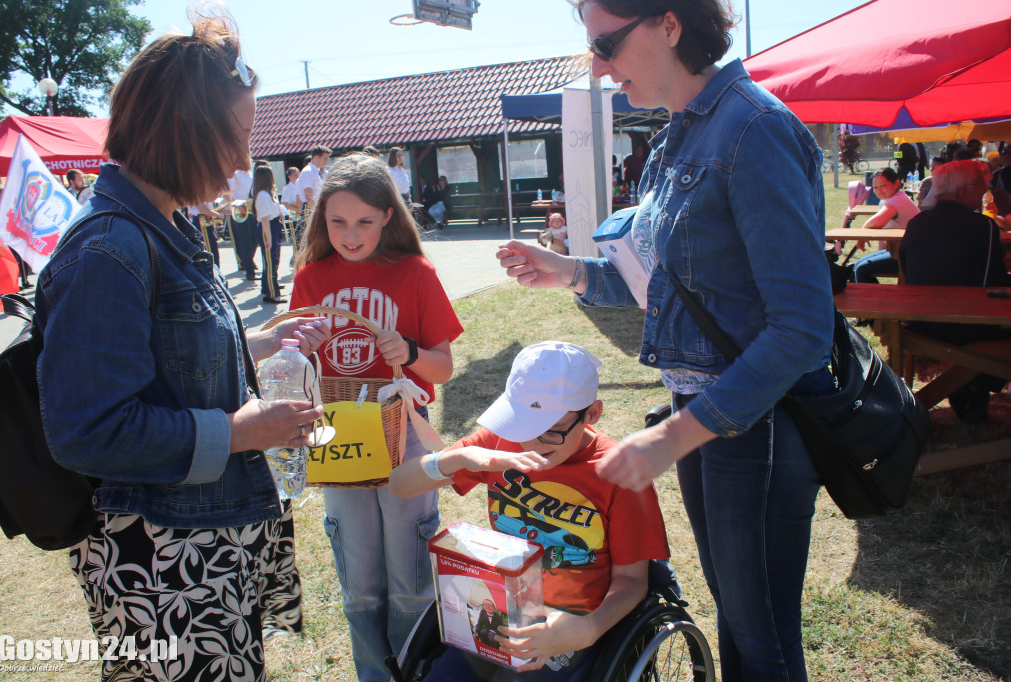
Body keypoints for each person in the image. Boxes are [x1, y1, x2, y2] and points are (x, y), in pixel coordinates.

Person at [496, 3, 835, 680]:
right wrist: (569, 273)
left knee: (762, 640)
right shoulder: (677, 136)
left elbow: (802, 327)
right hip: (705, 420)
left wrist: (675, 437)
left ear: (670, 24)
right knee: (741, 624)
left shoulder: (754, 129)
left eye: (606, 44)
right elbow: (664, 284)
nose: (596, 65)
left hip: (753, 426)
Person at [33, 9, 327, 680]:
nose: (246, 160)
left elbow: (168, 358)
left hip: (197, 547)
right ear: (186, 130)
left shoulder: (163, 226)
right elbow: (88, 432)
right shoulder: (110, 251)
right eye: (239, 134)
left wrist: (252, 343)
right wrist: (238, 432)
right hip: (162, 565)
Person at [389, 341, 670, 680]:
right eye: (522, 427)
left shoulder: (621, 475)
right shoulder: (500, 442)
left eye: (551, 432)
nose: (533, 444)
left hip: (573, 624)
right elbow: (400, 484)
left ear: (592, 414)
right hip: (502, 610)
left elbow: (631, 582)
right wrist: (458, 458)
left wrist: (587, 629)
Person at [289, 152, 464, 682]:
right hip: (338, 437)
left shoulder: (415, 273)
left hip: (404, 435)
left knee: (409, 572)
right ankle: (375, 674)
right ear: (321, 219)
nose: (350, 234)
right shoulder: (311, 277)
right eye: (337, 221)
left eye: (365, 221)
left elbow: (444, 366)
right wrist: (298, 350)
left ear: (389, 215)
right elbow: (289, 365)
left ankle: (416, 672)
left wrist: (408, 352)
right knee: (360, 578)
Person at [899, 159, 1011, 423]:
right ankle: (974, 388)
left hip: (920, 324)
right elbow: (991, 284)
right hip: (966, 325)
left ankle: (967, 389)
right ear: (964, 190)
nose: (985, 194)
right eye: (983, 188)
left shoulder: (917, 222)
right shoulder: (982, 226)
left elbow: (907, 273)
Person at [851, 168, 920, 284]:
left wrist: (862, 235)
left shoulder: (898, 200)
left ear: (896, 183)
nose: (879, 190)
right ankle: (875, 300)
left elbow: (875, 222)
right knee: (857, 265)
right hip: (900, 251)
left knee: (861, 269)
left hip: (912, 257)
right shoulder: (888, 199)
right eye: (876, 187)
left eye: (883, 186)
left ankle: (875, 302)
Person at [0, 183, 31, 289]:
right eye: (2, 193)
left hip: (8, 240)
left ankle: (14, 284)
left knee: (13, 262)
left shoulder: (3, 207)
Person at [253, 165, 286, 303]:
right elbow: (265, 218)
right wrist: (269, 239)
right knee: (271, 261)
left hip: (272, 226)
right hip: (268, 228)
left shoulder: (267, 193)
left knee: (273, 261)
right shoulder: (263, 195)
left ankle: (268, 288)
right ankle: (272, 292)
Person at [296, 144, 331, 250]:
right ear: (316, 157)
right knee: (310, 238)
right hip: (310, 208)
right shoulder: (308, 172)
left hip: (315, 207)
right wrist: (315, 212)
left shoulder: (316, 172)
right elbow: (309, 195)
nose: (326, 161)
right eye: (324, 158)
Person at [227, 166, 257, 279]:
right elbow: (228, 193)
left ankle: (247, 261)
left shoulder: (250, 174)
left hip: (250, 209)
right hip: (241, 210)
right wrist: (239, 207)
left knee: (254, 239)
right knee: (245, 241)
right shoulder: (236, 174)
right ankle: (249, 271)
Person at [186, 200, 222, 269]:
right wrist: (219, 215)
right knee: (210, 253)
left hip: (203, 220)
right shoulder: (198, 190)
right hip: (202, 221)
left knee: (212, 252)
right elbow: (202, 209)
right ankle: (213, 276)